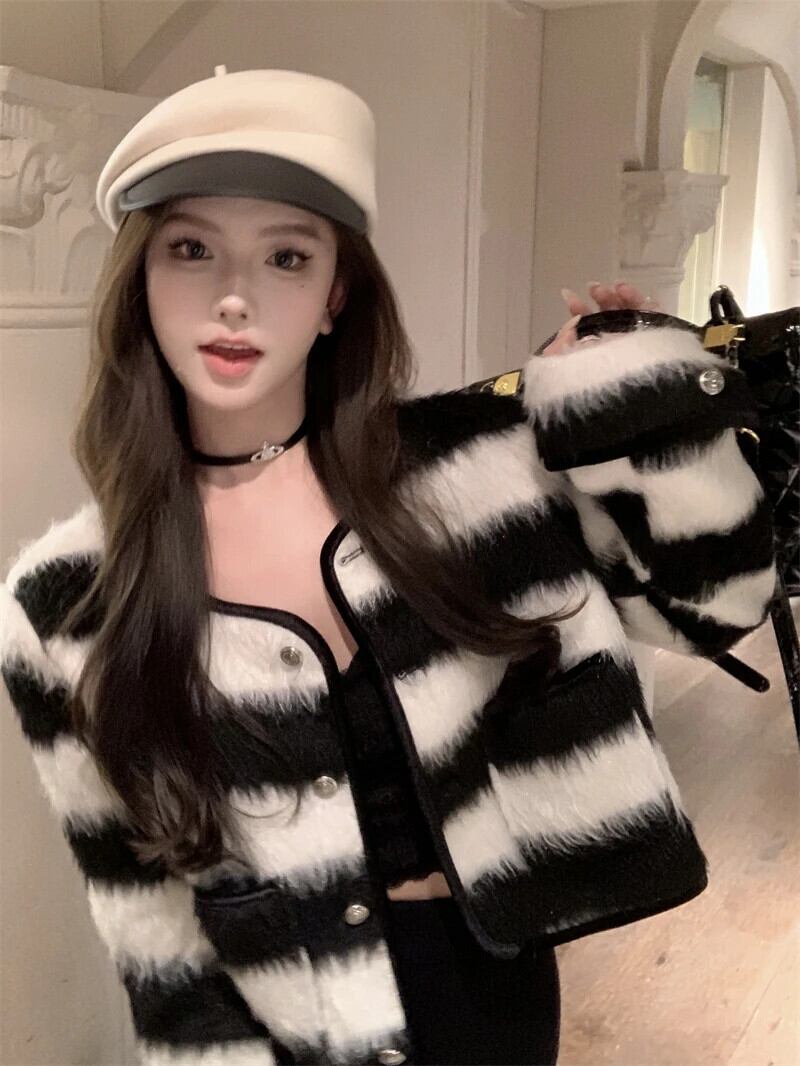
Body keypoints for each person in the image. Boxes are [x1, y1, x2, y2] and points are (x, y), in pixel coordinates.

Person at [0, 67, 777, 1066]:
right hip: (296, 1029)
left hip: (486, 992)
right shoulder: (62, 605)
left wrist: (634, 398)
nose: (234, 296)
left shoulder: (475, 471)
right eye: (190, 249)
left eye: (286, 256)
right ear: (140, 280)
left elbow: (716, 604)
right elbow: (150, 931)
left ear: (335, 295)